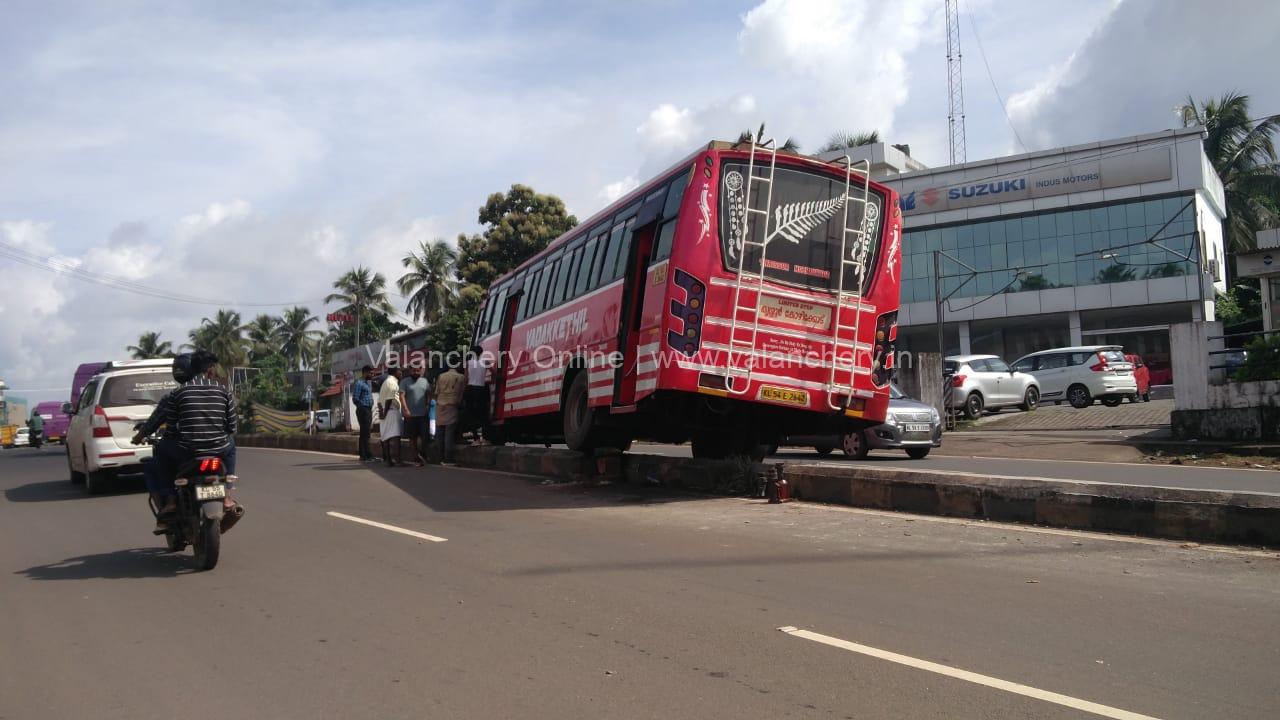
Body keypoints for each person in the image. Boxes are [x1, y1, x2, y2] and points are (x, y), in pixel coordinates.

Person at [156, 351, 240, 525]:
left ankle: (171, 501)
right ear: (209, 370)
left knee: (160, 451)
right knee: (231, 446)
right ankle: (228, 496)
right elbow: (232, 427)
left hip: (188, 451)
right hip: (219, 449)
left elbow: (171, 429)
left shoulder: (177, 393)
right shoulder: (224, 391)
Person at [133, 353, 193, 531]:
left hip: (181, 449)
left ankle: (170, 502)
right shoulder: (218, 392)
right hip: (215, 447)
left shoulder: (173, 397)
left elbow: (153, 422)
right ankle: (227, 496)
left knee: (155, 464)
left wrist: (139, 437)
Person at [434, 357, 466, 465]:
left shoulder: (441, 376)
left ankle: (439, 457)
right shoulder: (461, 377)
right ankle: (448, 458)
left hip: (440, 405)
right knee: (449, 433)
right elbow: (462, 392)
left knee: (439, 433)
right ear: (457, 364)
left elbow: (437, 392)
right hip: (452, 405)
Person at [400, 362, 432, 467]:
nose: (416, 372)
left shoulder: (425, 381)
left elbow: (428, 394)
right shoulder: (405, 382)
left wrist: (427, 405)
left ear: (421, 370)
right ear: (410, 371)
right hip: (410, 415)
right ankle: (416, 457)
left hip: (423, 414)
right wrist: (405, 409)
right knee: (412, 438)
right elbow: (402, 396)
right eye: (414, 370)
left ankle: (423, 454)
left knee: (425, 436)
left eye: (418, 370)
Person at [464, 344, 489, 444]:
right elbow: (494, 373)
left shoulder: (468, 363)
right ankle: (485, 437)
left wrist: (463, 390)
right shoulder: (485, 362)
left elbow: (466, 378)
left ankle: (476, 439)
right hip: (482, 389)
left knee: (472, 414)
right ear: (482, 353)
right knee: (483, 414)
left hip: (471, 389)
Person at [378, 366, 404, 466]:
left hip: (385, 411)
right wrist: (384, 413)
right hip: (391, 411)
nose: (401, 373)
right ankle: (398, 460)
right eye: (400, 371)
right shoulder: (393, 383)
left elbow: (380, 401)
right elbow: (389, 399)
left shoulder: (385, 383)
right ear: (395, 372)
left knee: (386, 437)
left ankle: (388, 460)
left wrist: (381, 412)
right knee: (396, 436)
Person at [353, 365, 375, 461]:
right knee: (365, 433)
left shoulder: (368, 383)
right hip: (363, 409)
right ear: (365, 372)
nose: (372, 374)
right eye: (370, 373)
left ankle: (365, 454)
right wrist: (361, 407)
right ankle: (365, 455)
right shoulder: (359, 383)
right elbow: (355, 398)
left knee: (365, 433)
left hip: (368, 409)